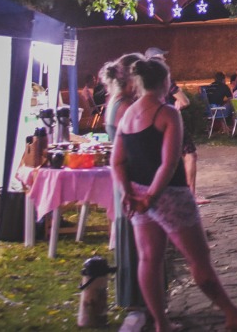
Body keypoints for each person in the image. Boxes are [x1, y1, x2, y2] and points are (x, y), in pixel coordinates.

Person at [111, 56, 237, 332]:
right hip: (169, 195)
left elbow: (117, 161)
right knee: (198, 258)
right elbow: (170, 163)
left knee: (148, 260)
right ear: (165, 82)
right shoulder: (167, 113)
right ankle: (231, 314)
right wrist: (152, 196)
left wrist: (129, 193)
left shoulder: (128, 115)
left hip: (138, 194)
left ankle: (161, 324)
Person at [100, 53, 148, 331]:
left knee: (137, 241)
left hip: (130, 181)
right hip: (132, 182)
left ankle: (143, 303)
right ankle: (136, 306)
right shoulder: (125, 107)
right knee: (134, 242)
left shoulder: (117, 102)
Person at [144, 47, 207, 205]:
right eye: (162, 57)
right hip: (172, 122)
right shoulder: (165, 80)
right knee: (190, 155)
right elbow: (185, 101)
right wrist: (177, 105)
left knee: (163, 159)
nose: (165, 60)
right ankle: (190, 195)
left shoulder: (144, 82)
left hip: (152, 123)